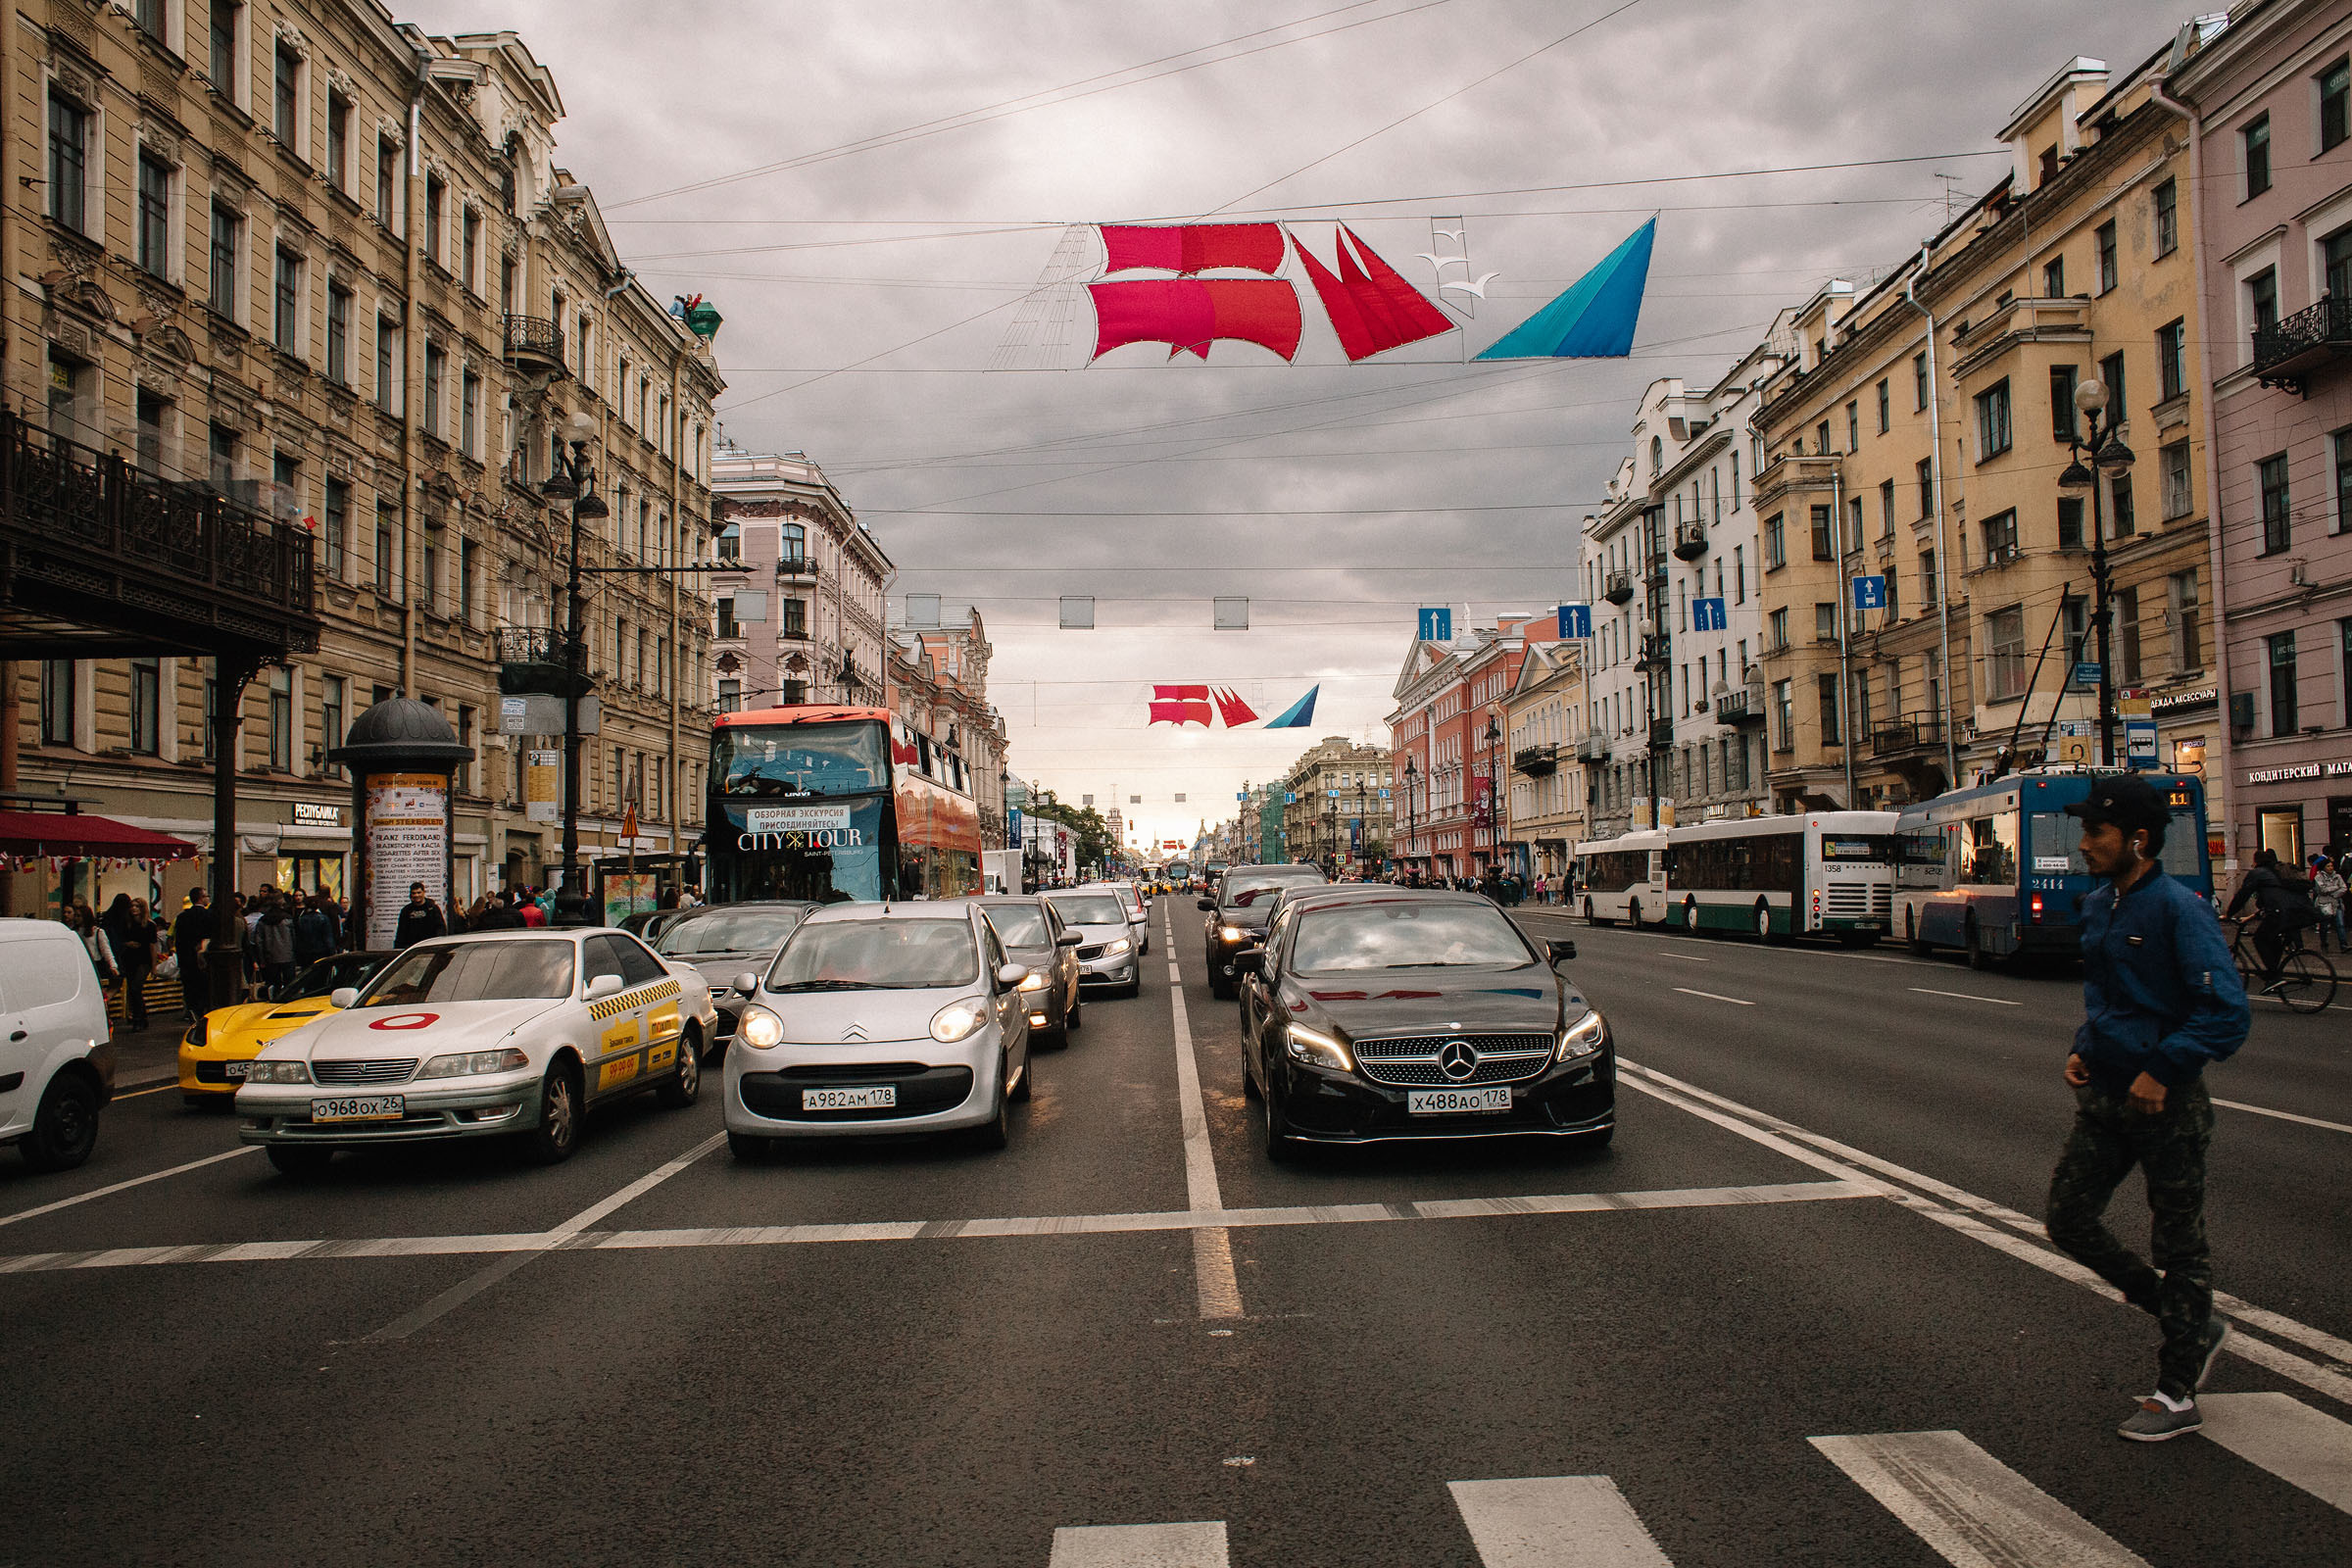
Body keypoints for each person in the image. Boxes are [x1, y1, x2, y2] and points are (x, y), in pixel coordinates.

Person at [2045, 774, 2249, 1443]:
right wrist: (2084, 1045)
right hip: (2106, 1096)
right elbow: (2108, 996)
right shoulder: (2102, 904)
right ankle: (2183, 1316)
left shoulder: (2177, 908)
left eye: (2095, 834)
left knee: (2179, 1243)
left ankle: (2177, 1390)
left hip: (2167, 1106)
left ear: (2136, 839)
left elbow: (2225, 1014)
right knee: (2068, 1220)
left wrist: (2164, 1068)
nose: (2083, 846)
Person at [2224, 848, 2318, 990]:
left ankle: (2274, 977)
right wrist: (2249, 918)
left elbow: (2242, 895)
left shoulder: (2257, 874)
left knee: (2259, 939)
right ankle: (2274, 972)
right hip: (2298, 912)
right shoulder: (2276, 872)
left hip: (2280, 913)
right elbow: (2266, 903)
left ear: (2256, 861)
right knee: (2273, 940)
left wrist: (2229, 914)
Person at [101, 894, 156, 1031]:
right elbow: (120, 940)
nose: (133, 909)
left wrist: (154, 966)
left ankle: (139, 1018)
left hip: (144, 960)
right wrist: (127, 944)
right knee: (132, 988)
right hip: (130, 959)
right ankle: (141, 1017)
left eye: (137, 906)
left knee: (136, 987)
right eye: (132, 906)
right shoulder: (127, 924)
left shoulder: (149, 925)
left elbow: (152, 946)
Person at [172, 889, 214, 1021]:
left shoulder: (182, 917)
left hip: (186, 959)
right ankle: (202, 1012)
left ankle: (192, 1012)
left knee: (189, 988)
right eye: (207, 896)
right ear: (201, 898)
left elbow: (178, 940)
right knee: (203, 987)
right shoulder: (208, 916)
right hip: (202, 959)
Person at [2310, 852, 2346, 956]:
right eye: (2328, 866)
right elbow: (2322, 889)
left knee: (2340, 924)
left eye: (2331, 866)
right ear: (2323, 867)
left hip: (2336, 902)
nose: (2330, 868)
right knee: (2324, 925)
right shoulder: (2318, 877)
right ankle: (2324, 943)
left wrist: (2334, 894)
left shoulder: (2338, 876)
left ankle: (2343, 945)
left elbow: (2343, 888)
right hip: (2324, 903)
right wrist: (2336, 888)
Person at [393, 881, 447, 949]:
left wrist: (437, 943)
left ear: (424, 892)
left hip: (430, 946)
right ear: (411, 894)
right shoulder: (406, 910)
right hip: (412, 947)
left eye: (419, 892)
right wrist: (399, 947)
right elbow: (401, 931)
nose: (416, 895)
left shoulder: (432, 908)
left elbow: (440, 927)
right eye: (414, 893)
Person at [294, 894, 339, 966]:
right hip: (321, 951)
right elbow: (328, 937)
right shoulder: (324, 919)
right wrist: (332, 951)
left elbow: (298, 938)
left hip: (306, 952)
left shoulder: (301, 920)